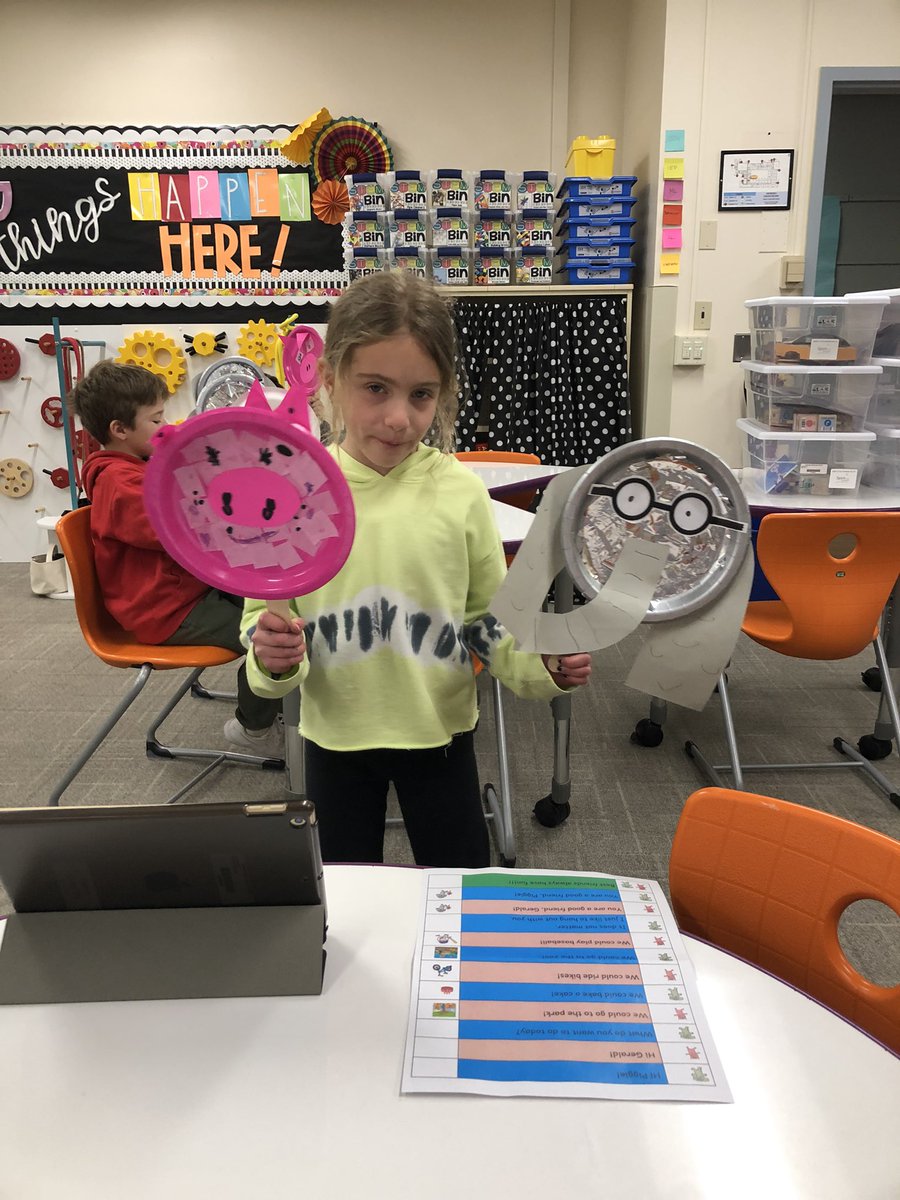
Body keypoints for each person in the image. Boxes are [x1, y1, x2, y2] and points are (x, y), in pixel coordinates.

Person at [240, 271, 591, 866]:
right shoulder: (289, 492)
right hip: (334, 737)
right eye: (375, 388)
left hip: (440, 736)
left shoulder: (459, 493)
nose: (399, 417)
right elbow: (263, 625)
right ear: (329, 380)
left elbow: (489, 623)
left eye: (421, 395)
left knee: (459, 893)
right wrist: (270, 659)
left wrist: (543, 667)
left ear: (443, 393)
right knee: (344, 900)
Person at [70, 360, 283, 756]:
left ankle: (283, 700)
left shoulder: (135, 465)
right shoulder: (119, 483)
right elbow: (178, 526)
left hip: (186, 592)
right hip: (166, 611)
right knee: (276, 635)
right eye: (156, 420)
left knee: (283, 603)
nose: (165, 427)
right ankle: (253, 727)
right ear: (120, 430)